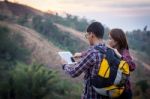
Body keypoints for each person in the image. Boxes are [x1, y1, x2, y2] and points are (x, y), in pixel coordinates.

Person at [61, 22, 110, 99]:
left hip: (91, 95)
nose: (87, 38)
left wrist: (64, 65)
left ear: (92, 34)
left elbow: (73, 73)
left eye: (87, 35)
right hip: (105, 95)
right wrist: (81, 56)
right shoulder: (108, 50)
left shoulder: (92, 53)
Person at [107, 29, 136, 99]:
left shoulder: (124, 52)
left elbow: (132, 66)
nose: (108, 40)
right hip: (112, 90)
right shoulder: (110, 50)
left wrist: (120, 56)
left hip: (123, 93)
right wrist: (81, 54)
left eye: (110, 38)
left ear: (116, 40)